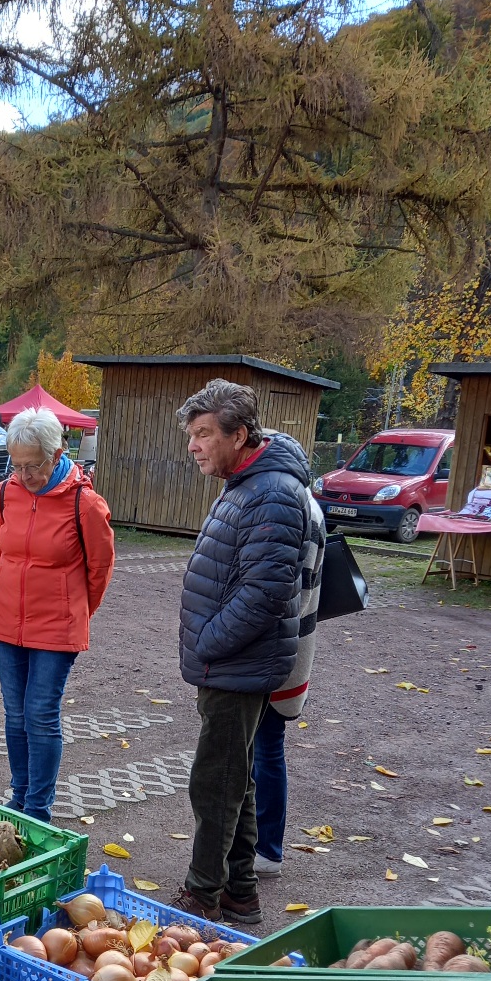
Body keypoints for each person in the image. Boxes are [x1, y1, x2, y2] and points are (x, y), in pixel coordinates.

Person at [174, 380, 321, 926]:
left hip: (238, 662)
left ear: (240, 434)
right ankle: (240, 892)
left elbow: (264, 594)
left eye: (205, 434)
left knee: (215, 782)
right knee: (235, 777)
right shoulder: (247, 482)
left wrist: (208, 642)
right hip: (231, 662)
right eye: (192, 434)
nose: (194, 445)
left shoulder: (272, 493)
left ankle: (202, 894)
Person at [0, 408, 115, 823]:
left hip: (56, 628)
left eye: (34, 464)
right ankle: (19, 796)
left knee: (40, 714)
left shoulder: (85, 503)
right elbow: (1, 552)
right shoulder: (6, 494)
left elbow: (100, 569)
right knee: (15, 714)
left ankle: (37, 809)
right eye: (17, 465)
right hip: (6, 621)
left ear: (57, 453)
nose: (25, 474)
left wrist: (73, 610)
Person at [252, 492, 326, 877]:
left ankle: (265, 848)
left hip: (273, 650)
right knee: (265, 747)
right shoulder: (304, 502)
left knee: (263, 748)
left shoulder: (287, 505)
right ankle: (264, 847)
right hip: (285, 646)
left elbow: (274, 590)